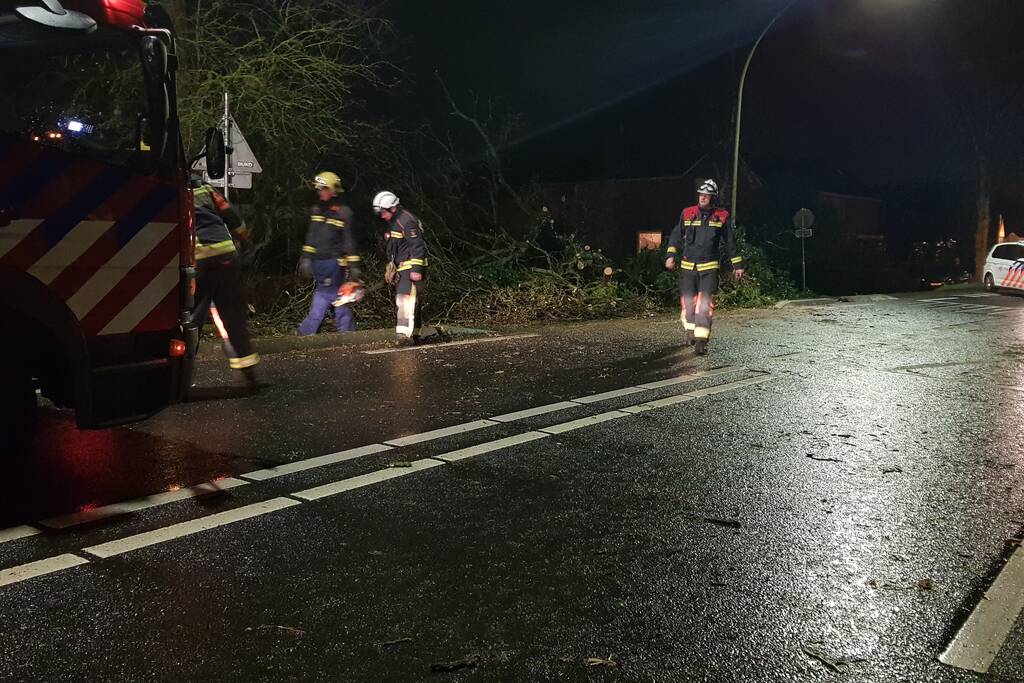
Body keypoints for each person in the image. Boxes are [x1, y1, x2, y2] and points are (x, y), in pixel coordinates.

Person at [190, 179, 261, 391]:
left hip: (199, 260)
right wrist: (245, 240)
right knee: (233, 316)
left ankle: (180, 377)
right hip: (227, 257)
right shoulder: (206, 189)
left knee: (192, 319)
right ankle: (249, 375)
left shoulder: (171, 191)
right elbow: (233, 218)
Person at [664, 179, 744, 355]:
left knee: (705, 305)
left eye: (707, 195)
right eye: (701, 194)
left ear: (713, 198)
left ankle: (701, 341)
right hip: (688, 268)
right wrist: (670, 255)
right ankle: (690, 331)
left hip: (709, 268)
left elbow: (730, 242)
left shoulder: (721, 216)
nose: (703, 198)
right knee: (688, 304)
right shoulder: (687, 213)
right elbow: (676, 235)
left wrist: (737, 265)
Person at [297, 172, 362, 335]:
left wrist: (354, 268)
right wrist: (306, 258)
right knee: (329, 296)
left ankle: (309, 332)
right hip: (318, 264)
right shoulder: (317, 210)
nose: (321, 192)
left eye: (324, 188)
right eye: (319, 188)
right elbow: (311, 237)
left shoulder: (343, 212)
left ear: (334, 190)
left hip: (334, 263)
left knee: (330, 296)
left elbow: (349, 241)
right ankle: (345, 332)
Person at [372, 190, 427, 345]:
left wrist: (416, 270)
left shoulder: (406, 221)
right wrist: (391, 265)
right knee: (413, 303)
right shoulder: (395, 222)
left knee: (404, 300)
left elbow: (417, 246)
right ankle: (415, 335)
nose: (382, 216)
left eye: (383, 212)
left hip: (411, 268)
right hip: (402, 268)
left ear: (392, 208)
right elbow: (395, 247)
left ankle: (403, 335)